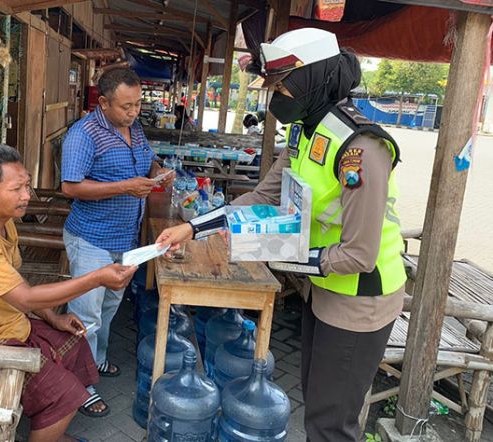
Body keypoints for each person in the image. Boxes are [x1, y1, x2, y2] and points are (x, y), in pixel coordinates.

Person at [155, 28, 406, 442]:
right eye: (273, 85)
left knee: (331, 423)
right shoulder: (306, 132)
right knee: (317, 404)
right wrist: (193, 228)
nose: (277, 95)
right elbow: (263, 195)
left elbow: (360, 254)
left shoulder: (360, 147)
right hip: (322, 287)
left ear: (313, 78)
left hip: (360, 296)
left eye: (283, 84)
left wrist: (276, 254)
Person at [0, 144, 137, 441]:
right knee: (66, 395)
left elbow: (16, 283)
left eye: (27, 185)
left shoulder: (3, 223)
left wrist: (53, 318)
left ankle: (49, 429)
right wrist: (97, 278)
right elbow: (25, 298)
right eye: (17, 189)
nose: (27, 195)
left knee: (75, 343)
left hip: (9, 329)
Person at [60, 68, 175, 410]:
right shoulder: (84, 135)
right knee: (86, 314)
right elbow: (70, 186)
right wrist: (125, 187)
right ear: (104, 102)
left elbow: (147, 159)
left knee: (109, 306)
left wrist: (156, 173)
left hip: (125, 239)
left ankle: (95, 361)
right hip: (91, 238)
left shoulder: (134, 128)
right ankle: (79, 385)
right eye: (126, 106)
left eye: (138, 104)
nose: (134, 112)